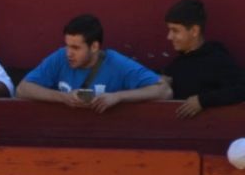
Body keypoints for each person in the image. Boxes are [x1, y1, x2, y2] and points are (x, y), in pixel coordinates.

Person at [18, 15, 171, 111]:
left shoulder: (116, 63)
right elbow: (23, 89)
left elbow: (164, 91)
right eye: (68, 45)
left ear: (94, 47)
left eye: (76, 47)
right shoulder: (60, 57)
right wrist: (63, 98)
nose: (69, 53)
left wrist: (118, 97)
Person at [160, 0, 245, 118]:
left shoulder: (216, 60)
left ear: (194, 31)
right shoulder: (175, 66)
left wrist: (203, 100)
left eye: (175, 31)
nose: (169, 37)